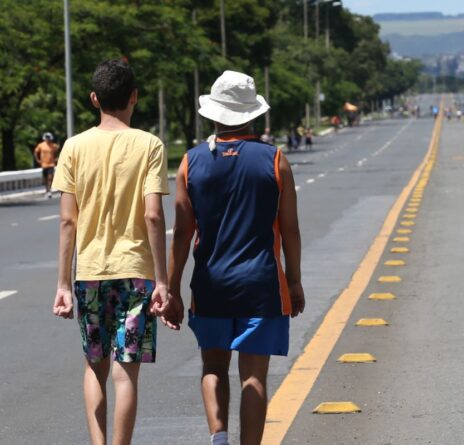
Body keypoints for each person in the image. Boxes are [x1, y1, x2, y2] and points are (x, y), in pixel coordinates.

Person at [165, 70, 305, 445]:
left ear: (214, 114)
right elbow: (289, 229)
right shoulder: (275, 160)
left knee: (212, 366)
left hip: (210, 283)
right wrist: (294, 281)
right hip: (261, 284)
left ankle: (219, 438)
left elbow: (181, 233)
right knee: (254, 377)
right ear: (252, 115)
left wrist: (173, 289)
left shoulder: (190, 162)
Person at [51, 59, 171, 445]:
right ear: (134, 97)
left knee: (95, 367)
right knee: (126, 372)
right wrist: (163, 280)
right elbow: (153, 215)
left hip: (89, 272)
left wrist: (63, 283)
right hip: (136, 272)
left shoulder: (73, 147)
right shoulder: (149, 145)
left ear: (93, 99)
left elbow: (68, 222)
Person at [34, 132, 60, 198]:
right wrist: (37, 160)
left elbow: (58, 152)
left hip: (51, 164)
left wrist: (56, 158)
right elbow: (36, 152)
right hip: (44, 164)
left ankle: (49, 191)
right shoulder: (41, 145)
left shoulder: (54, 146)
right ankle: (47, 190)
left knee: (50, 178)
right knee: (45, 179)